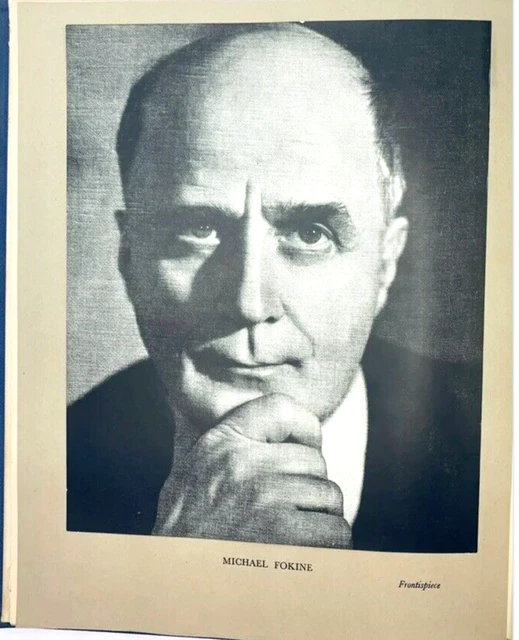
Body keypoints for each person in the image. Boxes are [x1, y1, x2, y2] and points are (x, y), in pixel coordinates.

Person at [67, 23, 481, 552]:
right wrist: (178, 561)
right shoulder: (48, 467)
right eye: (198, 229)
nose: (249, 302)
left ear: (386, 261)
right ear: (129, 258)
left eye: (311, 234)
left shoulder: (493, 443)